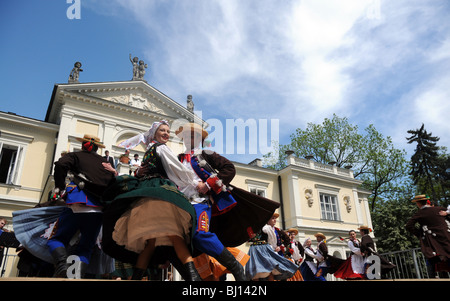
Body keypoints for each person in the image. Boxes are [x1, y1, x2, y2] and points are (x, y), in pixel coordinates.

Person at [175, 122, 280, 281]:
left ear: (198, 139)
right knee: (177, 241)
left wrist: (208, 184)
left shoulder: (206, 153)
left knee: (200, 234)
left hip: (200, 201)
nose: (189, 138)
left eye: (193, 135)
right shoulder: (177, 159)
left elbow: (229, 168)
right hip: (180, 205)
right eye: (186, 135)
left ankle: (234, 266)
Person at [101, 120, 203, 281]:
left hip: (146, 194)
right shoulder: (161, 148)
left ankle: (136, 278)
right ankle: (194, 277)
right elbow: (179, 170)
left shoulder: (150, 149)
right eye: (162, 130)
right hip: (160, 191)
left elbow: (147, 171)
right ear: (155, 133)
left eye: (167, 131)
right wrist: (195, 183)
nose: (166, 133)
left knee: (150, 242)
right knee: (175, 235)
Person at [45, 134, 115, 278]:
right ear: (97, 148)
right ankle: (76, 277)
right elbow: (112, 181)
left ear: (83, 145)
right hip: (98, 208)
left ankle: (62, 266)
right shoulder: (105, 162)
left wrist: (59, 186)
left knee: (57, 239)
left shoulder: (75, 155)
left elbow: (60, 164)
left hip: (77, 201)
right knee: (86, 247)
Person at [245, 213, 299, 281]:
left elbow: (272, 241)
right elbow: (248, 239)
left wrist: (277, 247)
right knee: (255, 270)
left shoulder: (267, 228)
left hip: (264, 248)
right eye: (272, 218)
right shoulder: (251, 227)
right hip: (254, 250)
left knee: (270, 267)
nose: (275, 220)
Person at [406, 195, 450, 276]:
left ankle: (433, 277)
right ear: (427, 201)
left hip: (431, 240)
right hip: (446, 237)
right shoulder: (439, 209)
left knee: (431, 258)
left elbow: (409, 225)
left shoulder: (420, 213)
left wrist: (419, 234)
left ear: (418, 203)